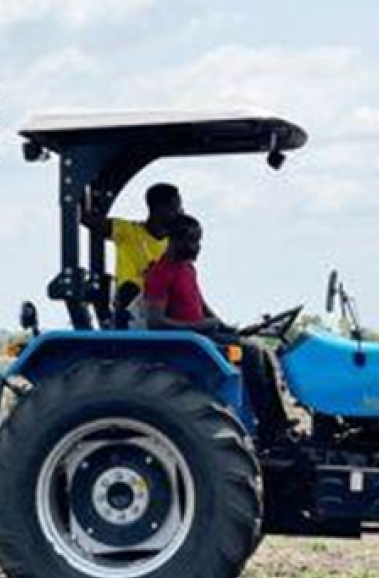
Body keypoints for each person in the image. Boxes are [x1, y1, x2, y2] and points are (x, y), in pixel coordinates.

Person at [145, 214, 290, 442]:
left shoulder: (187, 269)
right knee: (251, 353)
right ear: (174, 240)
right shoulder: (160, 273)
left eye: (199, 241)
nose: (197, 248)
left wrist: (225, 326)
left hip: (205, 333)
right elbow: (155, 322)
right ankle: (269, 428)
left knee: (263, 351)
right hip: (189, 342)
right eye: (192, 241)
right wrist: (198, 326)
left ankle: (279, 422)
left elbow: (201, 305)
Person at [82, 182, 183, 328]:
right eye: (176, 207)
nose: (181, 212)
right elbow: (86, 219)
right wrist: (83, 184)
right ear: (160, 208)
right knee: (131, 288)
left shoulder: (175, 244)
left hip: (163, 307)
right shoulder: (127, 231)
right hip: (132, 306)